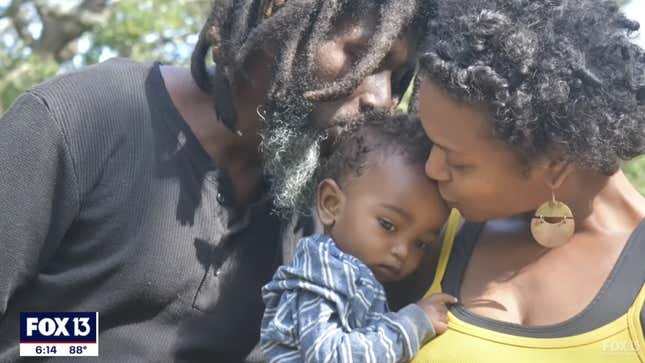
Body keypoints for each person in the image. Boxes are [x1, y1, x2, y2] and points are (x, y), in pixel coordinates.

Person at [0, 0, 432, 361]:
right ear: (274, 10)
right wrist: (86, 341)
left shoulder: (336, 214)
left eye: (395, 77)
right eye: (360, 56)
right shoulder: (77, 122)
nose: (382, 97)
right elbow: (26, 331)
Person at [408, 0, 645, 361]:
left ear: (555, 162)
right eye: (431, 144)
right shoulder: (425, 223)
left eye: (456, 161)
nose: (431, 169)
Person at [260, 113, 456, 363]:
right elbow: (330, 357)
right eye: (388, 225)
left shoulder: (351, 276)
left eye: (420, 244)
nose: (402, 251)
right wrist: (412, 324)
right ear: (331, 203)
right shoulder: (321, 280)